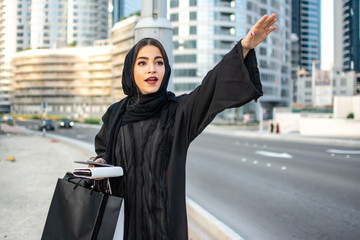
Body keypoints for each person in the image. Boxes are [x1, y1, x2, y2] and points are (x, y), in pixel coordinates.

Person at [93, 13, 277, 240]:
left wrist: (245, 46)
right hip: (122, 225)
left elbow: (210, 87)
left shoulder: (178, 112)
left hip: (163, 227)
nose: (152, 69)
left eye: (159, 62)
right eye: (142, 63)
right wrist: (100, 163)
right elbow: (103, 152)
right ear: (131, 71)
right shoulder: (115, 114)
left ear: (166, 69)